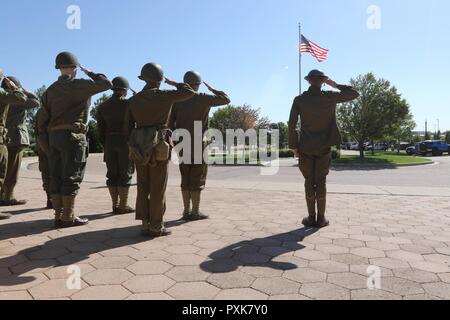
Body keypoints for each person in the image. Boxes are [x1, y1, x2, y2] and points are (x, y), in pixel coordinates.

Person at [38, 52, 112, 228]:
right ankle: (68, 216)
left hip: (53, 137)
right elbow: (106, 84)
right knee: (72, 175)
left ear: (59, 68)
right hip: (73, 137)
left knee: (56, 175)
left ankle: (58, 215)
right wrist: (91, 73)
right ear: (74, 68)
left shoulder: (50, 90)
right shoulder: (79, 85)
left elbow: (43, 119)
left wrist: (46, 142)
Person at [124, 63, 195, 237]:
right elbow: (189, 92)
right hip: (160, 145)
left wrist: (133, 145)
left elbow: (126, 129)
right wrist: (174, 83)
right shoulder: (165, 96)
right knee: (158, 187)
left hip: (139, 147)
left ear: (143, 79)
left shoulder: (133, 100)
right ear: (160, 80)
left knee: (143, 185)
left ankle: (145, 224)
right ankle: (156, 226)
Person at [288, 69, 359, 228]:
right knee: (321, 181)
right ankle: (321, 219)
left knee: (309, 181)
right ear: (322, 81)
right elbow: (354, 93)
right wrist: (334, 84)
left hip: (305, 146)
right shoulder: (330, 96)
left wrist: (293, 146)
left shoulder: (300, 100)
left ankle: (311, 218)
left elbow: (291, 124)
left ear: (308, 81)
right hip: (324, 146)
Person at [170, 71, 230, 221]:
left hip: (181, 142)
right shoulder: (203, 98)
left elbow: (170, 123)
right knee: (197, 177)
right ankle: (195, 212)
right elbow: (226, 99)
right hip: (198, 143)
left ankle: (185, 211)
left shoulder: (176, 100)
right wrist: (212, 89)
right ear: (198, 84)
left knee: (185, 176)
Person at [97, 76, 135, 215]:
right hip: (125, 142)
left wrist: (105, 144)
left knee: (112, 174)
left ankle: (115, 204)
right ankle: (123, 205)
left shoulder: (103, 106)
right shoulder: (129, 104)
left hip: (109, 141)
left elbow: (100, 130)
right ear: (124, 90)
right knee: (125, 173)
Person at [0, 76, 40, 206]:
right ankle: (8, 197)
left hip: (4, 138)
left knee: (3, 170)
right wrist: (20, 89)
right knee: (12, 170)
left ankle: (2, 196)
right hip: (16, 139)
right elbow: (36, 101)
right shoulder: (18, 100)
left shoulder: (3, 98)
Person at [0, 68, 27, 220]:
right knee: (3, 172)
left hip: (5, 137)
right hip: (5, 138)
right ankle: (6, 198)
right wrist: (16, 88)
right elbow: (24, 98)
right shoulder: (4, 95)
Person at [35, 108, 53, 209]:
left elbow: (36, 130)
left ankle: (50, 199)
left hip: (42, 143)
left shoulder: (40, 110)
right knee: (54, 172)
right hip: (52, 143)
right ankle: (54, 199)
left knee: (46, 172)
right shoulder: (58, 107)